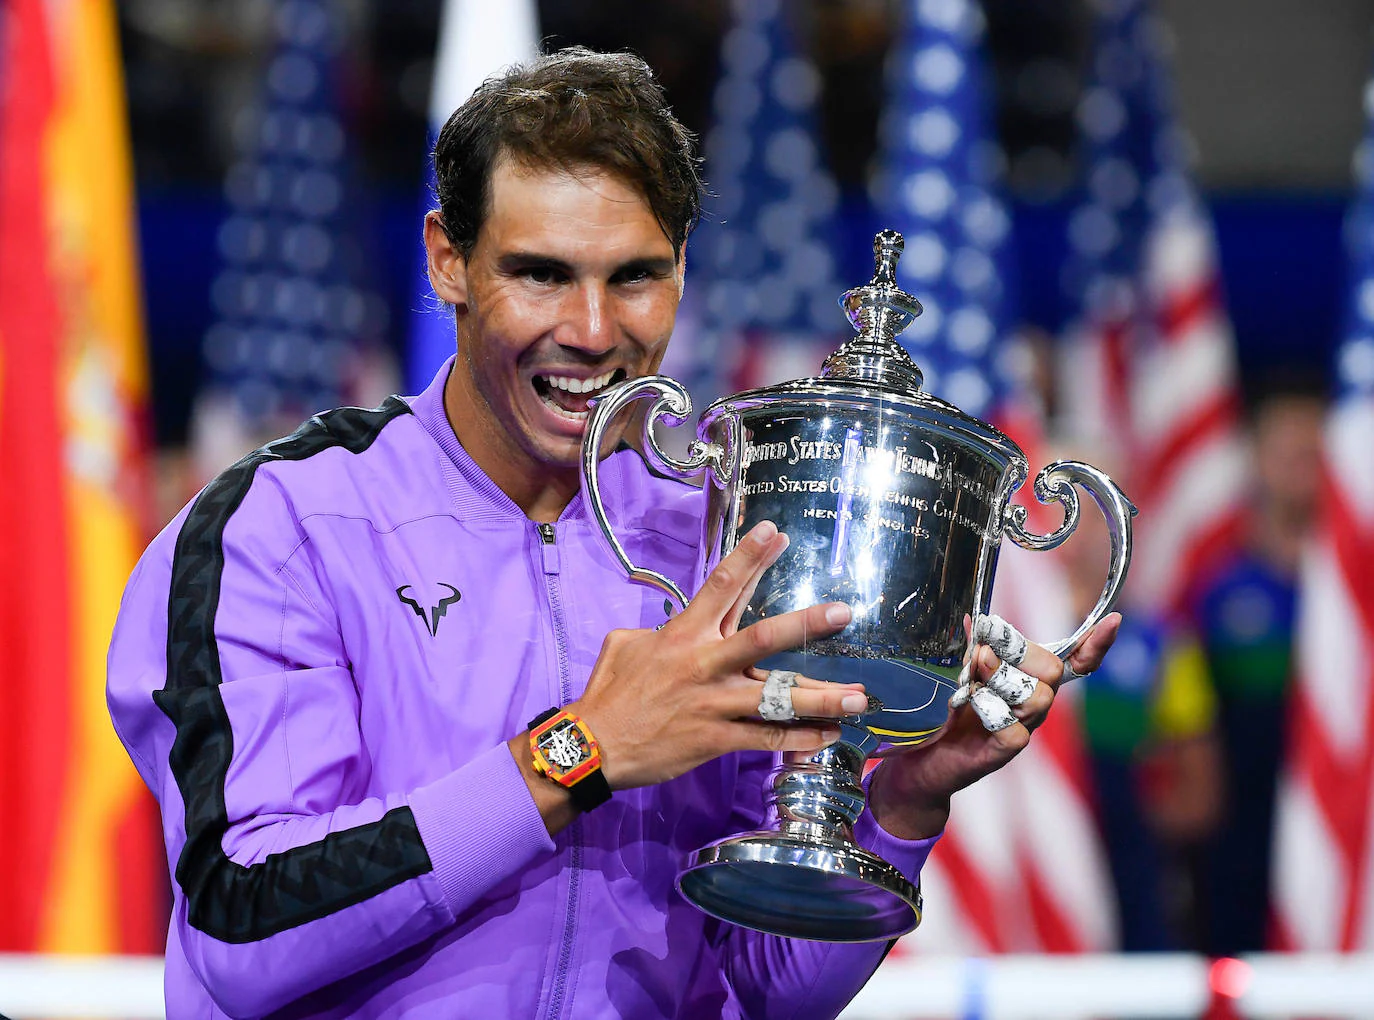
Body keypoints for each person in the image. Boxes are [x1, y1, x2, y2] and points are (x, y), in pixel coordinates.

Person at [107, 48, 1119, 1019]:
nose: (593, 332)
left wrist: (902, 806)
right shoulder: (278, 529)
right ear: (448, 260)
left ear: (682, 271)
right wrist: (581, 752)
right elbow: (244, 931)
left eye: (635, 276)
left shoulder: (726, 540)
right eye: (540, 274)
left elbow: (763, 986)